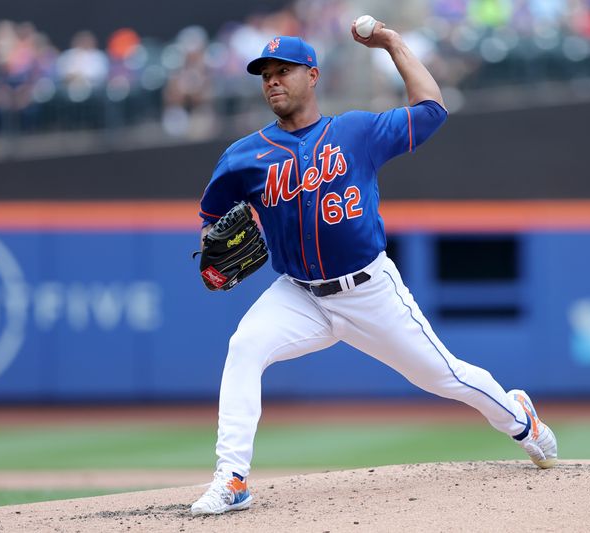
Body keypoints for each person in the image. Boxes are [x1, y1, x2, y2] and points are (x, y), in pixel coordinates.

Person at [191, 19, 558, 516]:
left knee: (444, 376)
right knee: (244, 347)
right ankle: (232, 478)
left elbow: (431, 110)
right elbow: (212, 216)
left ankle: (521, 420)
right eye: (265, 74)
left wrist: (392, 43)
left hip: (369, 290)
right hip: (298, 293)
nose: (273, 80)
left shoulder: (355, 131)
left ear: (312, 75)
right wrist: (211, 244)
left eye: (284, 70)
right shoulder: (244, 156)